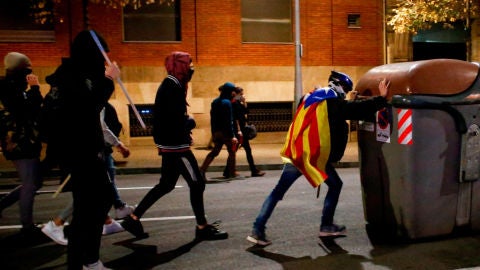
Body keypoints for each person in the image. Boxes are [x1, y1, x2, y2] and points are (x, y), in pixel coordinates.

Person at [246, 71, 390, 246]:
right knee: (335, 185)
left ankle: (257, 229)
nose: (344, 92)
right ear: (337, 85)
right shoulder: (331, 101)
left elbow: (339, 110)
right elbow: (352, 110)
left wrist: (351, 101)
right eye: (345, 88)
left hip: (298, 153)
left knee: (278, 192)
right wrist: (381, 99)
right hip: (313, 158)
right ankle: (326, 225)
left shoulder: (313, 97)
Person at [121, 51, 228, 241]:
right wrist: (190, 123)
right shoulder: (172, 87)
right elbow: (173, 120)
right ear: (180, 66)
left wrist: (185, 128)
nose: (192, 68)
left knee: (166, 185)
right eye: (189, 64)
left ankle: (133, 218)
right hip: (176, 147)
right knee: (197, 183)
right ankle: (202, 227)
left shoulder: (172, 84)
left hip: (173, 144)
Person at [51, 29, 120, 269]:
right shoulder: (72, 76)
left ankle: (88, 260)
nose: (104, 60)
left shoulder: (76, 73)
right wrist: (108, 80)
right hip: (80, 152)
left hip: (87, 150)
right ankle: (85, 261)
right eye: (100, 54)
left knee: (96, 205)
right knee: (88, 210)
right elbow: (89, 106)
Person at [41, 104, 134, 246]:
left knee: (93, 191)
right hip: (87, 153)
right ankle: (57, 223)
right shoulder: (93, 100)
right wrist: (118, 144)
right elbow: (101, 128)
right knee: (89, 193)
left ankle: (107, 222)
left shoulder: (76, 98)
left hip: (76, 151)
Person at [0, 52, 44, 235]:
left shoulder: (11, 87)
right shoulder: (10, 89)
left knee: (34, 182)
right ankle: (27, 226)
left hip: (22, 141)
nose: (29, 75)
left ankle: (2, 205)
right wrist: (35, 89)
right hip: (21, 142)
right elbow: (28, 111)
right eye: (27, 70)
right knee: (30, 184)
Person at [200, 82, 239, 179]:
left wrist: (213, 133)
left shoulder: (215, 102)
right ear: (229, 91)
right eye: (232, 91)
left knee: (214, 152)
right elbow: (229, 120)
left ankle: (201, 171)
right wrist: (233, 135)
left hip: (217, 131)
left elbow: (212, 119)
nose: (234, 93)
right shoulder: (227, 103)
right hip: (226, 133)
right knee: (232, 151)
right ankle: (231, 173)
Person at [227, 86, 265, 177]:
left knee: (235, 151)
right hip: (240, 131)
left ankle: (227, 170)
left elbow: (246, 112)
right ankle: (253, 170)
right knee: (246, 150)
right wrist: (239, 131)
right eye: (241, 94)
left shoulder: (238, 103)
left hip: (241, 130)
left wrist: (244, 102)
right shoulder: (234, 103)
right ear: (236, 94)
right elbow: (236, 118)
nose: (242, 96)